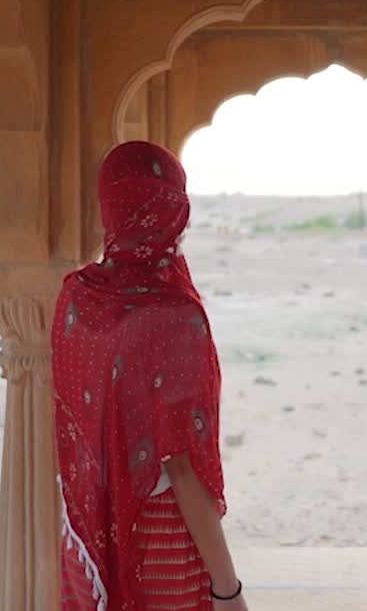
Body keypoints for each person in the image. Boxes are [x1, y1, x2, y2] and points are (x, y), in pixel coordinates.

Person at [53, 141, 247, 611]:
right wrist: (228, 590)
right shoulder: (175, 314)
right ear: (173, 211)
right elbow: (182, 467)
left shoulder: (78, 297)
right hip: (159, 537)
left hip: (87, 537)